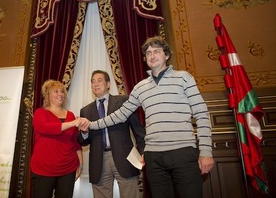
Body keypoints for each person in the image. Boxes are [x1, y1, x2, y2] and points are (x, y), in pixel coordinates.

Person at [83, 36, 214, 198]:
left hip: (183, 152)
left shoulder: (184, 78)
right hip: (153, 157)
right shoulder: (140, 88)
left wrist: (206, 151)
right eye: (148, 53)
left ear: (166, 55)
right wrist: (91, 124)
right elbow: (119, 115)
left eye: (156, 51)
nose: (152, 56)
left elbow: (201, 114)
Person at [78, 70, 145, 198]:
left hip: (125, 157)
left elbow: (138, 130)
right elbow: (83, 141)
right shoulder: (85, 110)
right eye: (92, 81)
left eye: (99, 80)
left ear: (108, 84)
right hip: (99, 160)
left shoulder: (123, 101)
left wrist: (143, 152)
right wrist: (85, 132)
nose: (95, 84)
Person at [30, 79, 86, 198]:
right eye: (56, 91)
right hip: (43, 169)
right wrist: (72, 123)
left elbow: (76, 142)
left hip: (68, 168)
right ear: (48, 95)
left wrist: (80, 164)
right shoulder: (40, 113)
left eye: (62, 92)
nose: (60, 94)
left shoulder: (70, 115)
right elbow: (47, 128)